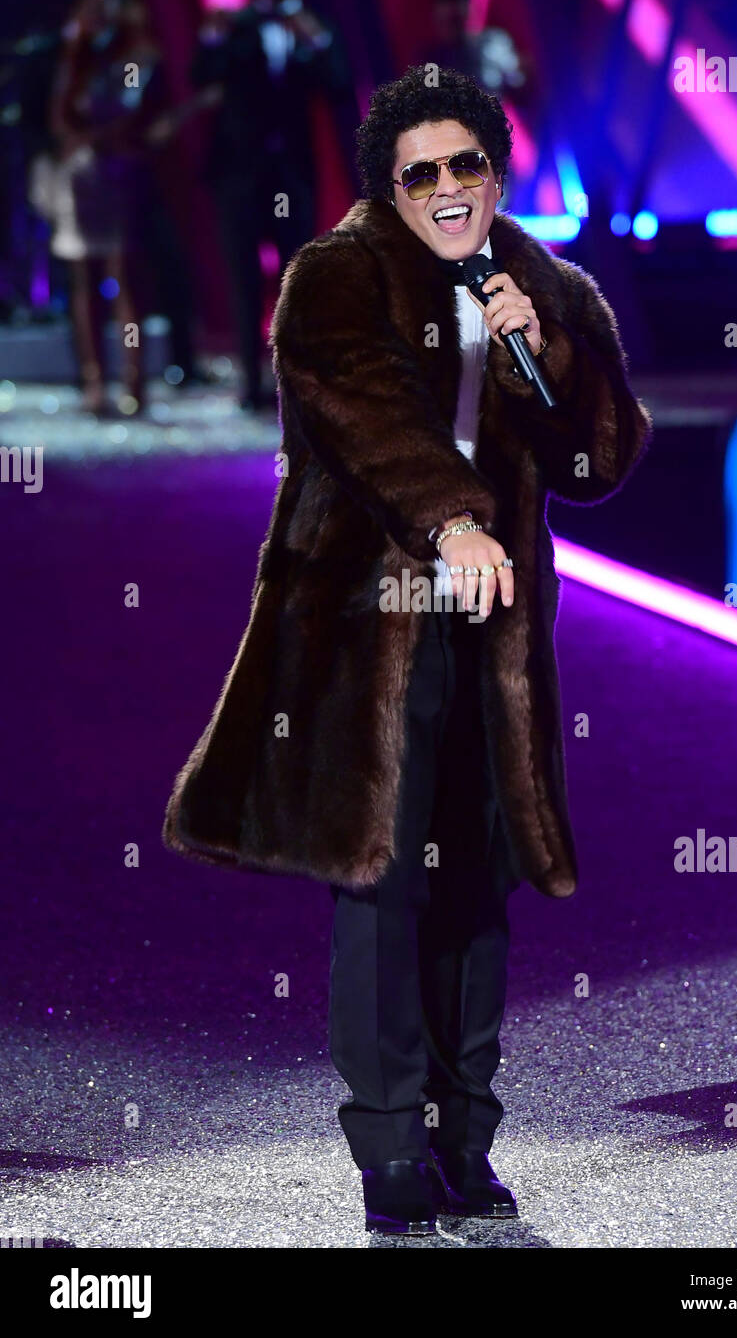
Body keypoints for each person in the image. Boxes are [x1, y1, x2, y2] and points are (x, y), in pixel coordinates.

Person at [163, 66, 652, 1235]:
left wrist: (550, 357)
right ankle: (389, 1151)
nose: (444, 190)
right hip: (365, 624)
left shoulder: (545, 283)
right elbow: (360, 408)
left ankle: (461, 1135)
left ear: (495, 169)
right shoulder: (338, 274)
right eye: (418, 173)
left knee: (476, 880)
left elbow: (598, 463)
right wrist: (453, 513)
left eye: (463, 166)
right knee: (381, 879)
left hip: (493, 629)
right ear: (388, 187)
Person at [190, 0, 349, 410]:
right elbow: (201, 75)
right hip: (239, 174)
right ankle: (250, 381)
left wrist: (315, 43)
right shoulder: (236, 25)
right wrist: (213, 39)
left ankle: (295, 380)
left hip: (292, 174)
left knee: (296, 275)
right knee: (242, 276)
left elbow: (338, 86)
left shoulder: (315, 28)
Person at [47, 0, 163, 417]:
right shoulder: (73, 60)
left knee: (125, 281)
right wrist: (71, 52)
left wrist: (89, 138)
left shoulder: (137, 56)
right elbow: (58, 117)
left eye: (105, 9)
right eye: (90, 8)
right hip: (79, 182)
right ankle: (93, 379)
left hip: (119, 176)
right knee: (84, 282)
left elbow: (128, 112)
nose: (97, 18)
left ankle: (134, 380)